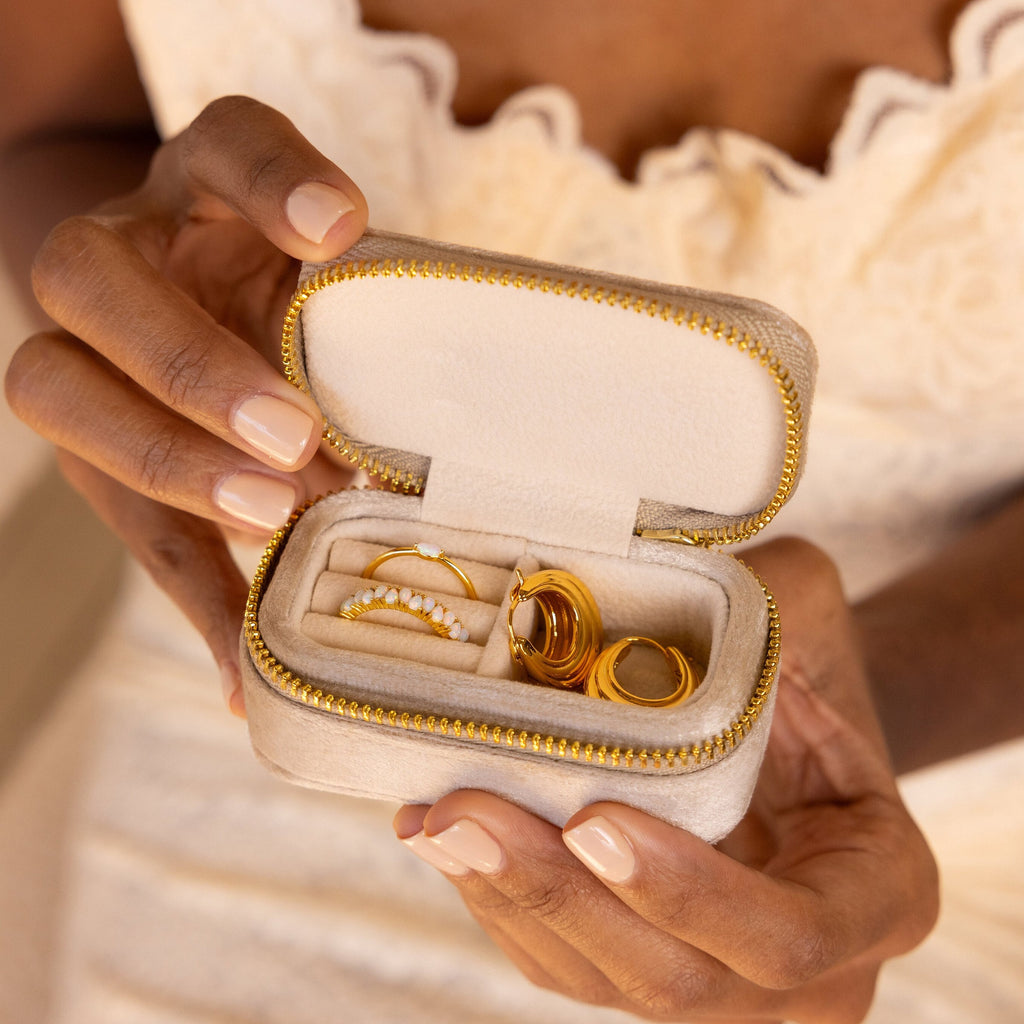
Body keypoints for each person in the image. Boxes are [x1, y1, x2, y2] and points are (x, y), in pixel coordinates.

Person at [2, 0, 1023, 1020]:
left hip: (930, 774)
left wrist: (829, 720)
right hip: (270, 662)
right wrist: (156, 312)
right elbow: (46, 129)